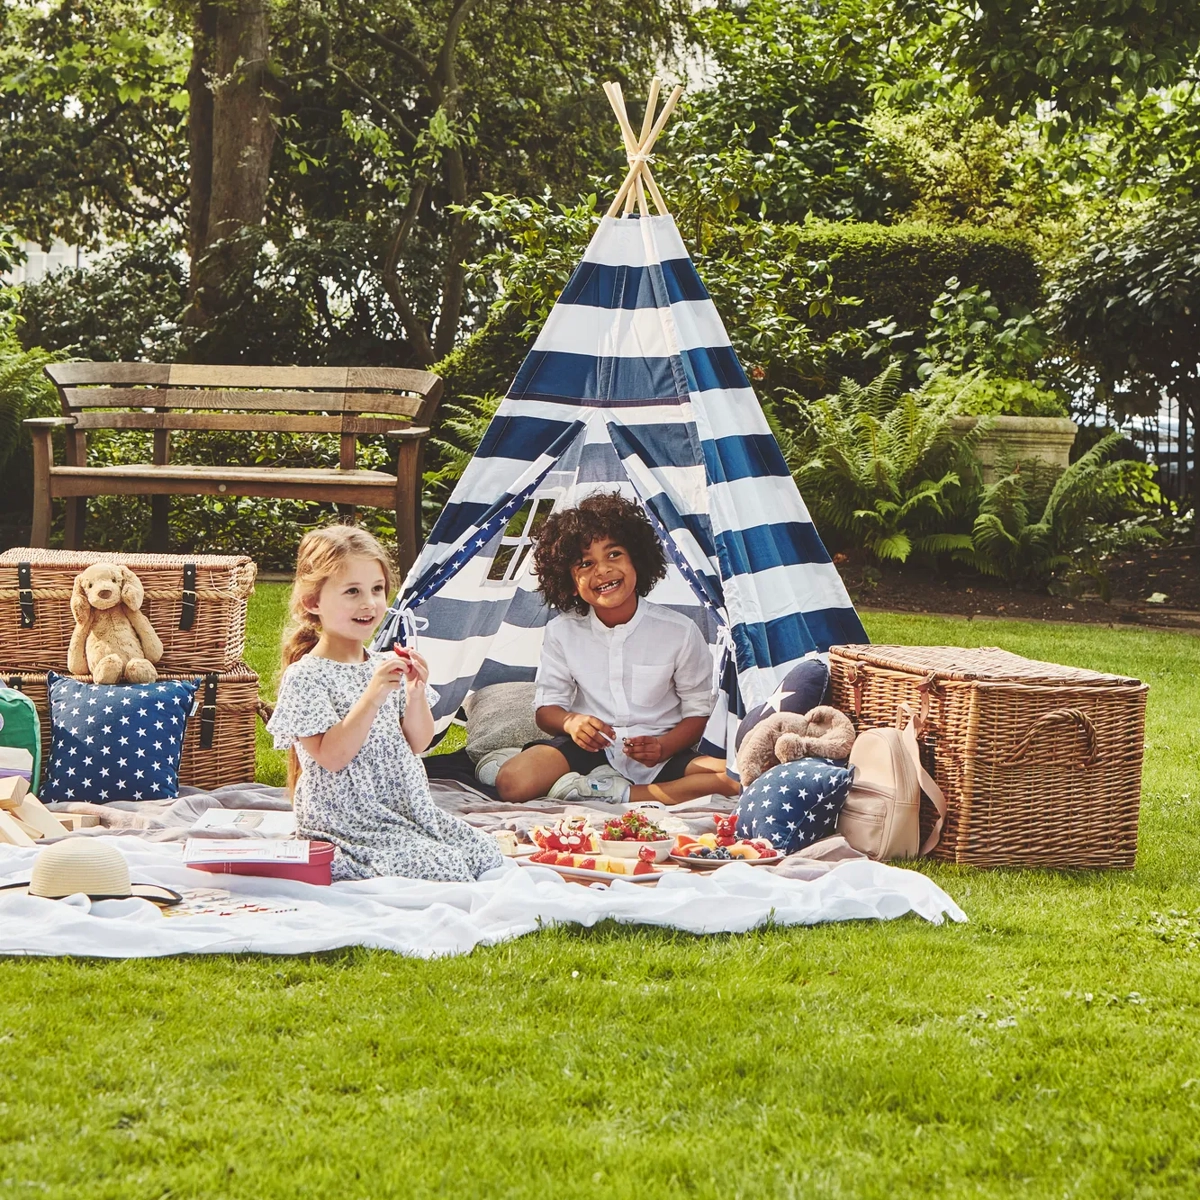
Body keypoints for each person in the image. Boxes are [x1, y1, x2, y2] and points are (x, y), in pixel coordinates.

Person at [267, 525, 502, 882]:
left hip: (407, 811)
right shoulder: (306, 677)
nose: (370, 603)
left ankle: (422, 848)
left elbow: (418, 742)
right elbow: (331, 757)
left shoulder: (380, 664)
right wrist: (372, 697)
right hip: (352, 823)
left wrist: (416, 693)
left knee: (485, 854)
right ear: (313, 602)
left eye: (377, 590)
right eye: (352, 592)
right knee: (444, 867)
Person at [495, 492, 740, 806]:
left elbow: (698, 713)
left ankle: (613, 794)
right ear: (570, 582)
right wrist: (571, 722)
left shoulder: (679, 631)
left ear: (637, 559)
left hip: (659, 753)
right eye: (585, 563)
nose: (602, 570)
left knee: (739, 778)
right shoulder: (562, 631)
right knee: (512, 782)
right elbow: (546, 711)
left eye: (614, 555)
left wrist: (664, 747)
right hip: (589, 752)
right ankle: (610, 788)